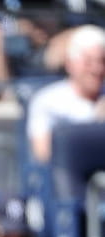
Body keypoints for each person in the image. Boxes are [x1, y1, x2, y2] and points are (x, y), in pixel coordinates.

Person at [26, 24, 105, 165]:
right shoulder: (48, 101)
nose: (97, 69)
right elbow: (42, 155)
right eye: (88, 62)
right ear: (70, 64)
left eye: (102, 61)